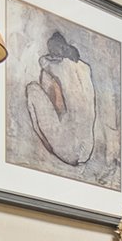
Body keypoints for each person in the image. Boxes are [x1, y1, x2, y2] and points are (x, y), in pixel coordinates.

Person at [24, 29, 97, 170]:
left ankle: (49, 146)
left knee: (32, 88)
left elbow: (58, 103)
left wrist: (48, 144)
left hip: (67, 151)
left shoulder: (49, 65)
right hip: (87, 150)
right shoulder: (85, 68)